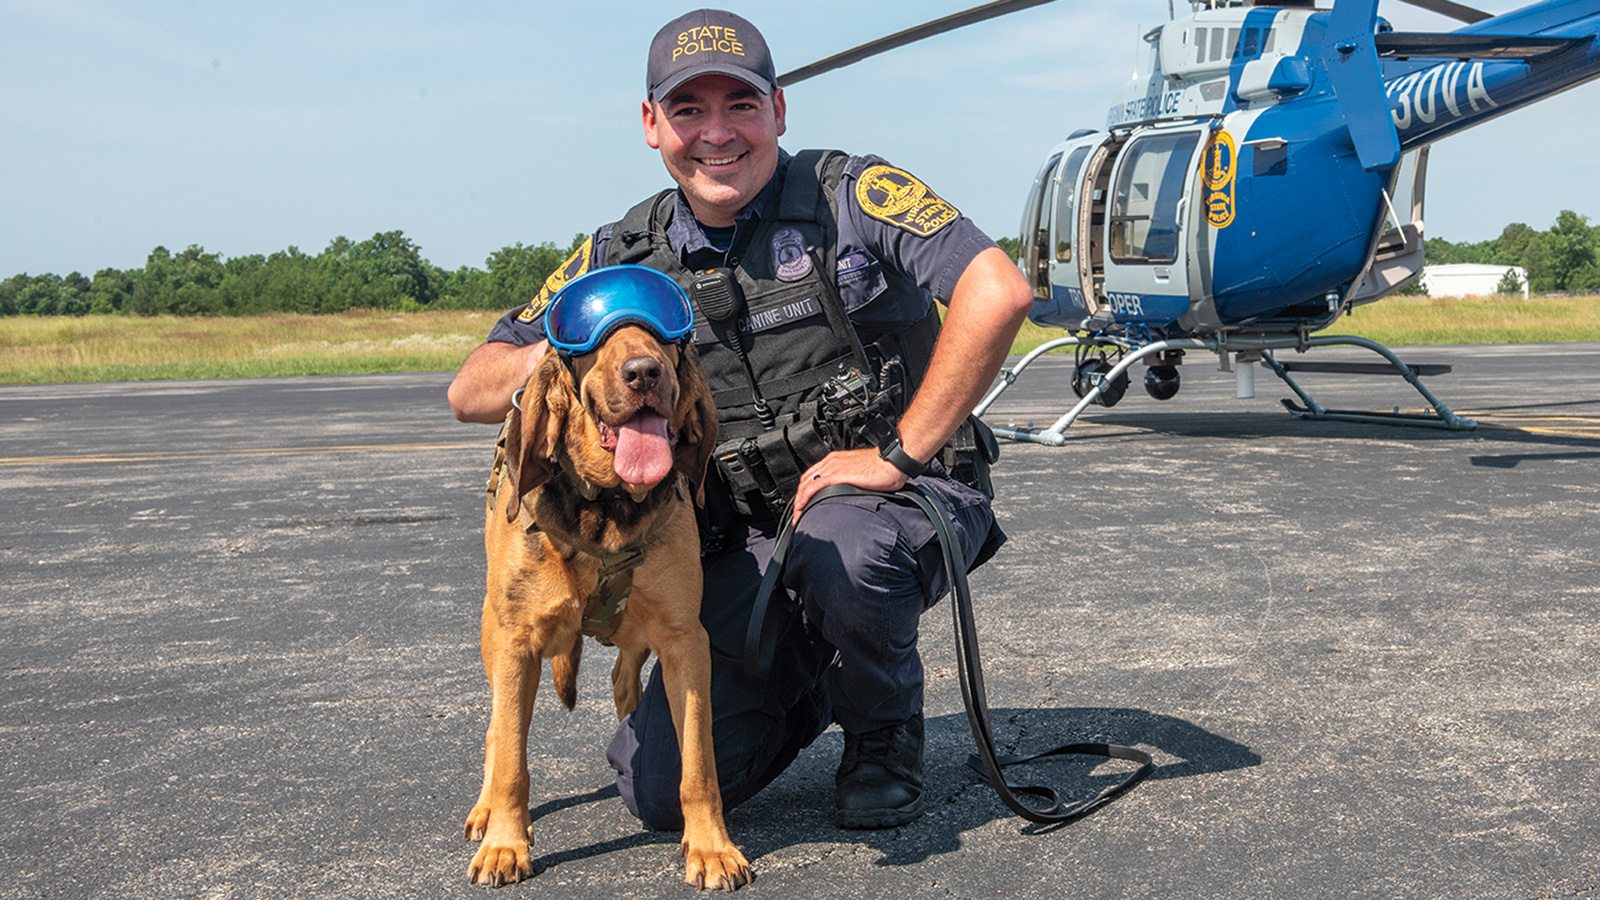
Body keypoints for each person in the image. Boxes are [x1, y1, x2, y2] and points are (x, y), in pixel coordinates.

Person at [448, 8, 1032, 830]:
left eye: (741, 105)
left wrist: (901, 453)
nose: (716, 133)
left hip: (892, 504)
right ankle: (811, 682)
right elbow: (471, 389)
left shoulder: (851, 195)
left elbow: (997, 288)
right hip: (745, 538)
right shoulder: (621, 253)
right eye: (689, 109)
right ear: (652, 125)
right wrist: (566, 348)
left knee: (849, 555)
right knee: (652, 795)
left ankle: (882, 729)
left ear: (779, 111)